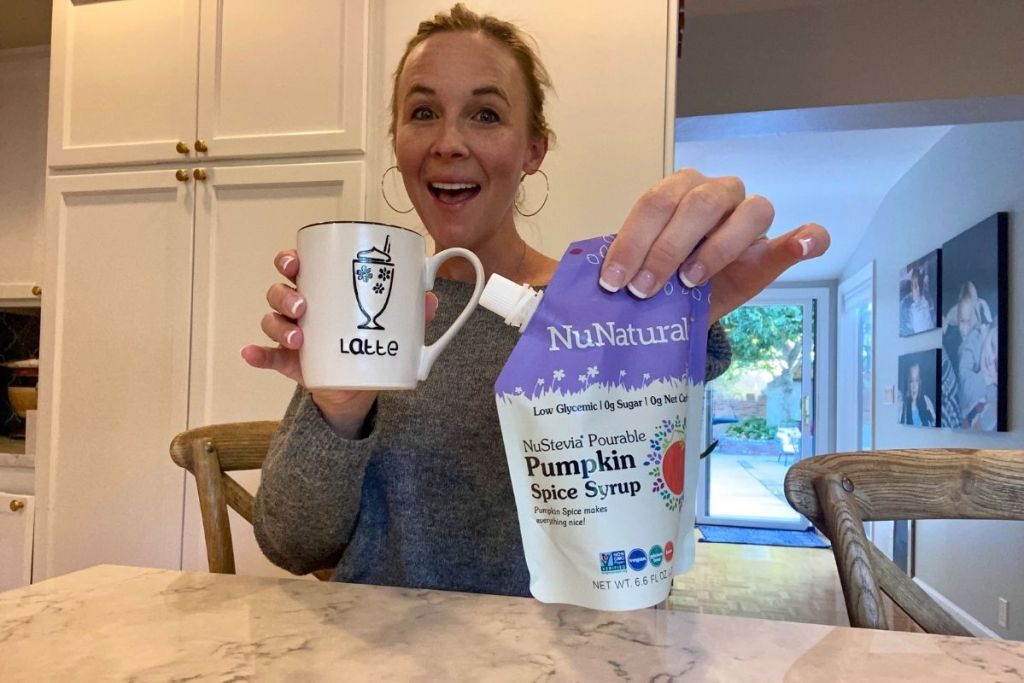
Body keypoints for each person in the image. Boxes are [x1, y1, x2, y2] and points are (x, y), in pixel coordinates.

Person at [242, 4, 830, 595]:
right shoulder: (369, 311)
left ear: (533, 150)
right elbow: (294, 547)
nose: (448, 142)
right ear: (397, 141)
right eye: (423, 112)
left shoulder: (607, 310)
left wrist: (675, 309)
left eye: (486, 114)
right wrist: (338, 410)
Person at [899, 266, 935, 335]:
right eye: (915, 287)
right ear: (911, 290)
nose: (918, 290)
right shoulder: (907, 305)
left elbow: (932, 316)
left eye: (920, 286)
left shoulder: (927, 299)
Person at [898, 362, 936, 427]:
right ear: (907, 383)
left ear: (920, 382)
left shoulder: (926, 401)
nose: (914, 386)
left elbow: (934, 424)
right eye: (911, 381)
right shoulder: (902, 405)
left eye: (917, 380)